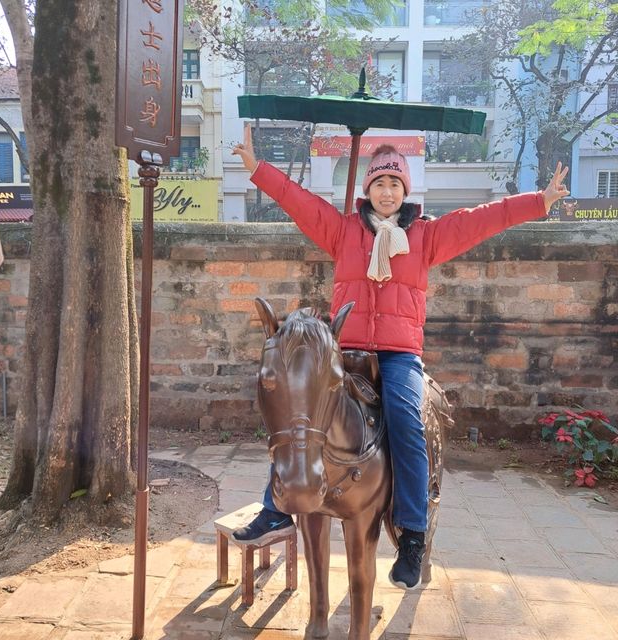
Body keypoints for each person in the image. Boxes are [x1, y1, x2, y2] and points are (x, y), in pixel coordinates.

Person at [231, 124, 569, 590]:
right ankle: (276, 509)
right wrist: (256, 168)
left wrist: (540, 201)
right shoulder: (343, 231)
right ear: (367, 189)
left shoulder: (427, 237)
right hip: (346, 351)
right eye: (379, 183)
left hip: (397, 354)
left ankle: (411, 534)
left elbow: (483, 218)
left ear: (405, 190)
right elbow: (299, 201)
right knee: (298, 406)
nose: (386, 191)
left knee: (408, 424)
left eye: (395, 183)